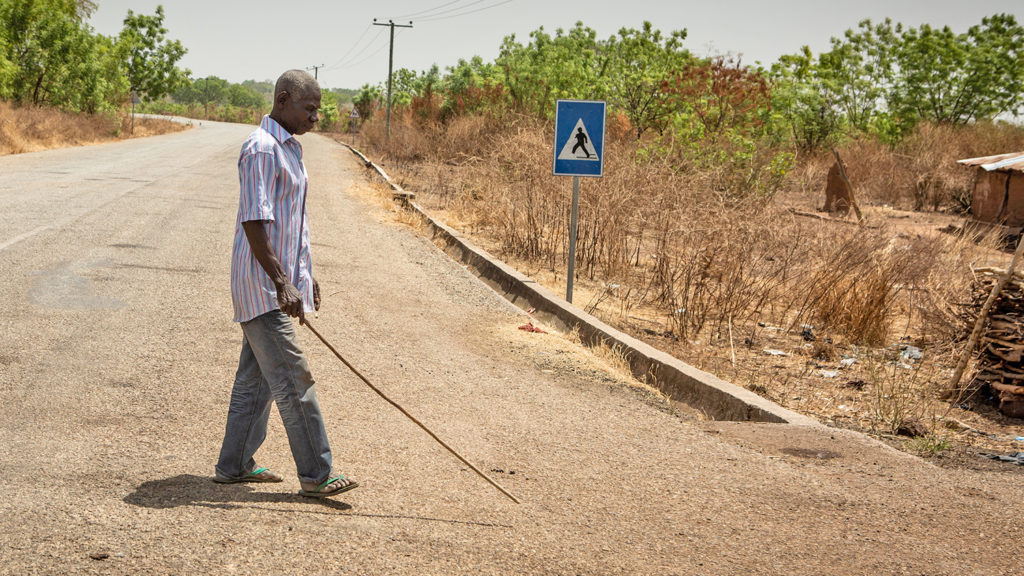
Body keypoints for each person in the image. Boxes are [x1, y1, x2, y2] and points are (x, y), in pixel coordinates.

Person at [214, 69, 358, 499]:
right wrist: (281, 281)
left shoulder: (290, 149)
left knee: (255, 382)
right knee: (294, 381)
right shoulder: (260, 149)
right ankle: (317, 474)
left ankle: (234, 464)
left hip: (275, 283)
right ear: (283, 100)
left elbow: (294, 221)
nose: (316, 117)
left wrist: (304, 275)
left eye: (318, 109)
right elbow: (255, 220)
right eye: (309, 108)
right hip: (261, 286)